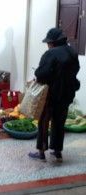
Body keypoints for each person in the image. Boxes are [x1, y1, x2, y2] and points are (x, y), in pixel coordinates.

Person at [28, 28, 80, 162]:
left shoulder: (50, 53)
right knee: (59, 122)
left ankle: (41, 152)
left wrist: (38, 74)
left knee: (44, 122)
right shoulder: (72, 52)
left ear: (53, 42)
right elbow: (75, 70)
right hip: (67, 94)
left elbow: (41, 74)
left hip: (51, 94)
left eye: (49, 42)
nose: (48, 45)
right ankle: (57, 152)